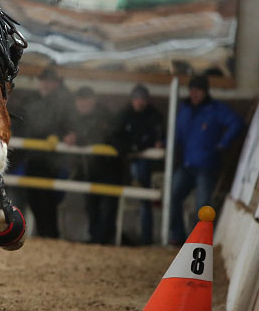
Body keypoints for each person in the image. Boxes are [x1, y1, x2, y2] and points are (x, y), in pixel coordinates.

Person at [169, 74, 243, 244]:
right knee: (172, 196)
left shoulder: (215, 109)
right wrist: (166, 144)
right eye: (192, 90)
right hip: (187, 164)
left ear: (205, 92)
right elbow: (177, 134)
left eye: (198, 90)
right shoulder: (185, 110)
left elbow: (236, 122)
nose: (194, 94)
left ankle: (196, 242)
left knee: (202, 206)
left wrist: (223, 143)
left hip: (206, 165)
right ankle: (177, 236)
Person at [17, 67, 75, 238]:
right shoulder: (31, 100)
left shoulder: (63, 102)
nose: (45, 84)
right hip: (32, 157)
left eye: (49, 80)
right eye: (43, 80)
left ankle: (49, 234)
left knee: (48, 200)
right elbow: (22, 125)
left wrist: (63, 135)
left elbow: (69, 126)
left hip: (52, 160)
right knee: (34, 198)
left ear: (56, 83)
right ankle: (45, 234)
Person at [64, 86, 119, 244]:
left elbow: (99, 135)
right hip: (90, 169)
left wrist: (77, 138)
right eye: (79, 101)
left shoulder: (103, 116)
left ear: (93, 100)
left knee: (107, 209)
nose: (81, 104)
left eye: (85, 100)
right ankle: (95, 238)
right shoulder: (75, 118)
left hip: (108, 170)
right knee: (91, 206)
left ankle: (104, 240)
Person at [113, 84, 165, 245]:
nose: (139, 102)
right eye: (137, 99)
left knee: (144, 193)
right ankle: (120, 235)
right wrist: (132, 148)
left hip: (145, 164)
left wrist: (135, 148)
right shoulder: (124, 115)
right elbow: (115, 137)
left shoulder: (154, 116)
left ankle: (146, 238)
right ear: (132, 100)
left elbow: (159, 137)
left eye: (142, 99)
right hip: (126, 162)